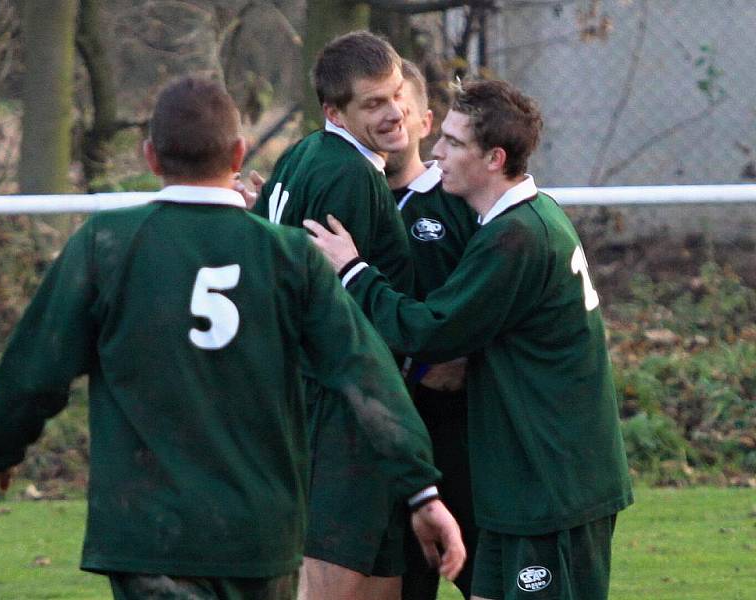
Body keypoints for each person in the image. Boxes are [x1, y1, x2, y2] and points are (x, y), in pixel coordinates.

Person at [0, 76, 466, 600]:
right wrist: (421, 490)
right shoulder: (292, 258)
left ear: (151, 157)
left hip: (150, 532)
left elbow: (36, 371)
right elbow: (365, 373)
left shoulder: (105, 245)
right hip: (260, 534)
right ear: (239, 153)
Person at [305, 79, 634, 600]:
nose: (437, 151)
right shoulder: (509, 225)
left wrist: (351, 270)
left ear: (493, 158)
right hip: (514, 486)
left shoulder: (519, 238)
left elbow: (429, 329)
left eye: (454, 143)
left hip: (553, 485)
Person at [252, 31, 420, 600]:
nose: (396, 112)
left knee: (379, 583)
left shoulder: (303, 153)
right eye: (374, 103)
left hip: (339, 401)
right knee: (328, 581)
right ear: (335, 112)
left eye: (397, 94)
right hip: (341, 405)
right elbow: (328, 309)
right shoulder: (348, 175)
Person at [387, 60, 479, 600]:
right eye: (372, 106)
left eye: (398, 106)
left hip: (455, 421)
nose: (388, 119)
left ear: (425, 122)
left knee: (477, 562)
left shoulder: (458, 201)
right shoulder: (355, 198)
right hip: (387, 421)